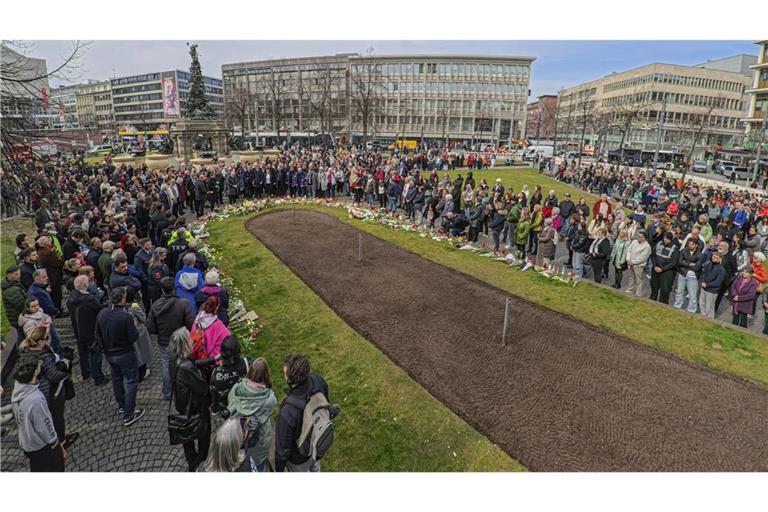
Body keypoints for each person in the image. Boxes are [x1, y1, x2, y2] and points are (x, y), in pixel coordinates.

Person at [19, 326, 77, 451]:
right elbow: (55, 376)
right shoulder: (42, 357)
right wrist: (66, 366)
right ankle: (62, 442)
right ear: (40, 341)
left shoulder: (27, 350)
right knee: (57, 418)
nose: (48, 340)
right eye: (46, 338)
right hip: (51, 392)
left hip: (43, 390)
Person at [95, 287, 145, 426]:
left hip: (110, 353)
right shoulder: (125, 317)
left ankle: (122, 406)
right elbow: (133, 337)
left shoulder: (102, 313)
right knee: (130, 382)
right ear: (122, 299)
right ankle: (129, 414)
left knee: (117, 380)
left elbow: (97, 334)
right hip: (125, 353)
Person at [275, 354, 329, 472]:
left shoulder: (287, 411)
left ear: (290, 380)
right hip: (316, 441)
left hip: (298, 459)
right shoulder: (318, 381)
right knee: (315, 468)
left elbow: (282, 451)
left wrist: (278, 470)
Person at [11, 355, 65, 472]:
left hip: (27, 444)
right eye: (39, 365)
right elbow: (44, 426)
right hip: (42, 447)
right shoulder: (35, 399)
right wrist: (55, 442)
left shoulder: (18, 389)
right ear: (35, 372)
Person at [169, 327, 211, 472]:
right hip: (194, 407)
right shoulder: (187, 368)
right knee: (203, 435)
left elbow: (191, 363)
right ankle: (197, 463)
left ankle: (193, 461)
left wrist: (210, 360)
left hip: (182, 404)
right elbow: (203, 387)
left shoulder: (174, 358)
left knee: (187, 437)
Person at [148, 277, 195, 400]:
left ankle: (168, 393)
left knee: (165, 365)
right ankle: (185, 389)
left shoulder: (155, 305)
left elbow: (150, 327)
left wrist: (161, 332)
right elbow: (191, 323)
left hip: (164, 341)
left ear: (162, 291)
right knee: (184, 363)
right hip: (180, 339)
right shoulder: (183, 303)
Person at [228, 357, 277, 472]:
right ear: (266, 374)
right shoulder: (269, 398)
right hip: (259, 441)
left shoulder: (236, 389)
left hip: (238, 436)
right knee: (258, 465)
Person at [66, 275, 106, 385]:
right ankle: (98, 377)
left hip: (78, 331)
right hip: (91, 330)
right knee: (95, 354)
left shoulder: (72, 298)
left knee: (83, 353)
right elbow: (100, 310)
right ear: (85, 285)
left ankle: (86, 374)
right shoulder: (89, 300)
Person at [209, 335, 249, 417]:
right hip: (246, 406)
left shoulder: (216, 373)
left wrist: (215, 409)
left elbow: (214, 394)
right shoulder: (247, 362)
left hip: (228, 412)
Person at [191, 296, 231, 361]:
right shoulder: (218, 324)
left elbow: (193, 333)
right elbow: (229, 338)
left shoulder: (197, 319)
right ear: (217, 308)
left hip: (196, 353)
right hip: (212, 358)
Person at [673, 238, 704, 314]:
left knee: (692, 295)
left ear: (696, 245)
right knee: (679, 291)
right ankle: (677, 306)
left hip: (693, 276)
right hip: (682, 273)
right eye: (689, 244)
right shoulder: (684, 250)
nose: (690, 245)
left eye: (692, 244)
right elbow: (679, 262)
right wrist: (690, 264)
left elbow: (697, 267)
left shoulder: (700, 254)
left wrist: (685, 263)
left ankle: (691, 310)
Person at [650, 232, 679, 304]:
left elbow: (673, 263)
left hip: (667, 271)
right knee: (654, 286)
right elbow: (653, 255)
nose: (666, 240)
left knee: (665, 289)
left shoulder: (674, 248)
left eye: (668, 239)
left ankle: (663, 303)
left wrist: (662, 269)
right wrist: (655, 266)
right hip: (656, 268)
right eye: (665, 238)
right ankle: (652, 299)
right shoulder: (659, 243)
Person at [699, 252, 726, 320]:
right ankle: (702, 318)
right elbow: (704, 273)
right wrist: (703, 281)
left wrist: (707, 284)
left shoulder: (721, 269)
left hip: (712, 291)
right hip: (704, 287)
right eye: (713, 257)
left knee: (709, 307)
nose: (714, 258)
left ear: (720, 259)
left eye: (716, 258)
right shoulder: (708, 264)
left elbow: (718, 282)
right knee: (702, 303)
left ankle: (709, 320)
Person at [625, 231, 651, 297]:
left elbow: (642, 258)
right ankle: (630, 290)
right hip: (630, 262)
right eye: (638, 236)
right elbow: (629, 250)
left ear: (644, 238)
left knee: (638, 280)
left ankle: (638, 294)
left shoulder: (647, 247)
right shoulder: (634, 242)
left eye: (640, 237)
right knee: (631, 277)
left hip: (639, 266)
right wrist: (628, 259)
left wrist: (632, 262)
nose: (638, 238)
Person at [2, 266, 27, 333]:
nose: (19, 276)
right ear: (9, 275)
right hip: (18, 318)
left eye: (19, 274)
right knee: (22, 336)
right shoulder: (11, 290)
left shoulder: (12, 284)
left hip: (17, 318)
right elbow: (21, 305)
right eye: (16, 274)